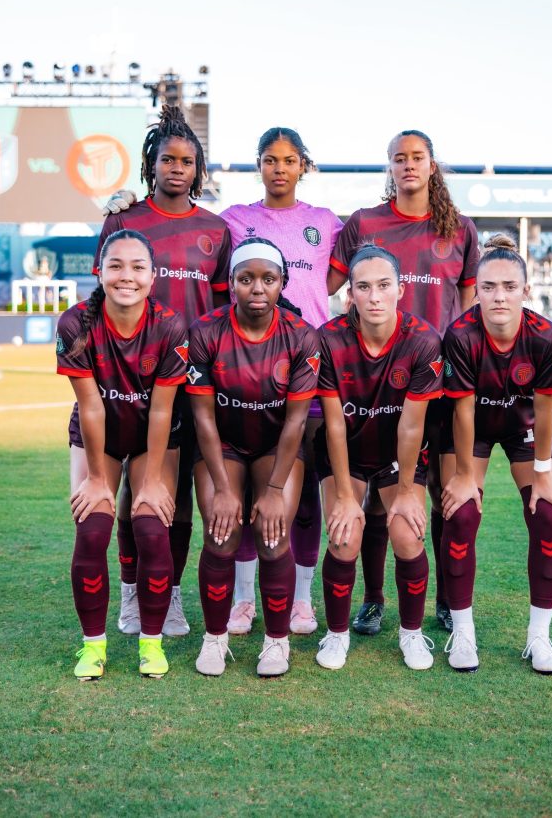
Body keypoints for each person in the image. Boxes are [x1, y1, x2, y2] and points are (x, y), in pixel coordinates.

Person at [327, 130, 478, 635]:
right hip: (376, 387)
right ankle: (372, 599)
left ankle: (443, 601)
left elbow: (471, 309)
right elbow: (315, 285)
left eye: (417, 158)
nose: (408, 165)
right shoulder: (365, 223)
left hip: (441, 382)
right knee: (372, 495)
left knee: (442, 493)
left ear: (433, 166)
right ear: (388, 167)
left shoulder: (460, 230)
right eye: (399, 158)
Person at [94, 105, 231, 639]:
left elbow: (221, 312)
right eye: (168, 159)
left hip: (195, 384)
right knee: (132, 489)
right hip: (128, 381)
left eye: (188, 161)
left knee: (173, 498)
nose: (178, 168)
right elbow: (101, 296)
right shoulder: (122, 221)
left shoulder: (215, 230)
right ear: (151, 163)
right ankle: (132, 594)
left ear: (199, 169)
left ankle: (169, 596)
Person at [220, 127, 342, 637]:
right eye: (270, 160)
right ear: (259, 165)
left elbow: (331, 280)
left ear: (303, 166)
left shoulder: (326, 223)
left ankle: (302, 600)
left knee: (307, 493)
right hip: (249, 374)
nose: (279, 169)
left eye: (289, 160)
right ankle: (245, 600)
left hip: (307, 369)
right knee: (252, 490)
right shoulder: (234, 220)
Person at [56, 229, 188, 680]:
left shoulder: (170, 325)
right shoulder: (75, 323)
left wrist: (151, 478)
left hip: (155, 433)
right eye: (115, 266)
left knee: (152, 526)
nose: (126, 276)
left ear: (153, 276)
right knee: (92, 528)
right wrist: (97, 478)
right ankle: (93, 647)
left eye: (137, 267)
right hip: (101, 438)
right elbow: (91, 406)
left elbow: (162, 409)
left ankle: (150, 644)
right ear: (99, 271)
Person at [186, 238, 320, 677]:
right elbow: (203, 418)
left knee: (272, 534)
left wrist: (275, 489)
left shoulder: (301, 336)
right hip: (222, 443)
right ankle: (214, 639)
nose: (257, 288)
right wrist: (225, 490)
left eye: (268, 278)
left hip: (275, 444)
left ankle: (276, 643)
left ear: (283, 283)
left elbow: (297, 422)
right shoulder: (206, 331)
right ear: (231, 283)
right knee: (220, 534)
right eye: (246, 279)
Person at [440, 234, 552, 674]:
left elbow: (547, 409)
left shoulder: (547, 336)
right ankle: (463, 634)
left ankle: (539, 638)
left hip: (524, 429)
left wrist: (544, 470)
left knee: (549, 513)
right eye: (490, 286)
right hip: (470, 428)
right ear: (476, 289)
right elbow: (460, 411)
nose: (499, 296)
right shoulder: (459, 334)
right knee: (460, 513)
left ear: (526, 291)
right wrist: (461, 475)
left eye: (509, 287)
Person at [316, 245, 443, 670]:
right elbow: (334, 424)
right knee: (345, 533)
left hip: (396, 455)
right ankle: (335, 636)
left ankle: (411, 634)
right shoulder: (329, 339)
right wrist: (345, 497)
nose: (374, 296)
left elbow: (411, 426)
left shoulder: (423, 341)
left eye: (383, 286)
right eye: (364, 287)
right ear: (349, 293)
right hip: (344, 453)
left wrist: (407, 491)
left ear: (400, 290)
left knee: (407, 533)